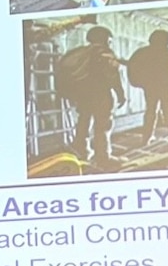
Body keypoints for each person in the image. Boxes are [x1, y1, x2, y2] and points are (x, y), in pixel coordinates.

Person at [52, 26, 127, 170]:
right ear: (105, 39)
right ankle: (104, 158)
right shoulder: (105, 53)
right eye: (109, 40)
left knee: (84, 123)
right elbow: (113, 76)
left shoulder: (81, 53)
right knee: (103, 126)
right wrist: (121, 94)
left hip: (83, 95)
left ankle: (82, 152)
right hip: (102, 95)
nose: (110, 43)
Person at [126, 28, 168, 149]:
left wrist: (140, 83)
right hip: (165, 88)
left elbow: (132, 65)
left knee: (150, 112)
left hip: (150, 87)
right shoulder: (165, 52)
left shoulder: (142, 52)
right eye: (167, 40)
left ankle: (146, 138)